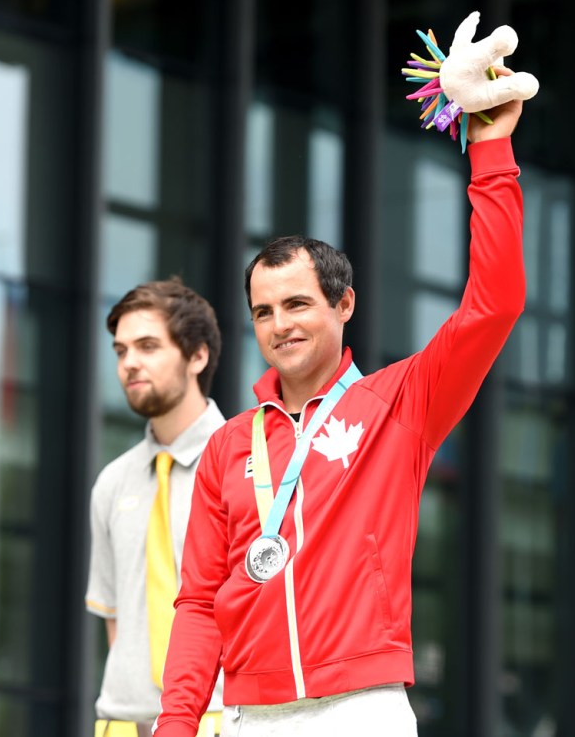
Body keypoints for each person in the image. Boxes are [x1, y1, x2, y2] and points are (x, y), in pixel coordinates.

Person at [154, 81, 527, 737]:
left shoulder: (398, 404)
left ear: (342, 305)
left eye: (297, 304)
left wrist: (490, 149)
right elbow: (198, 606)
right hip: (249, 716)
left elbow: (492, 304)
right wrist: (176, 725)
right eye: (263, 312)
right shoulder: (228, 446)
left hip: (361, 710)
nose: (279, 325)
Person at [86, 277, 226, 737]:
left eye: (147, 346)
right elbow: (116, 620)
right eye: (121, 350)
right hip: (121, 725)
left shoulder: (251, 468)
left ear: (197, 355)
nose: (129, 363)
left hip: (221, 721)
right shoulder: (111, 483)